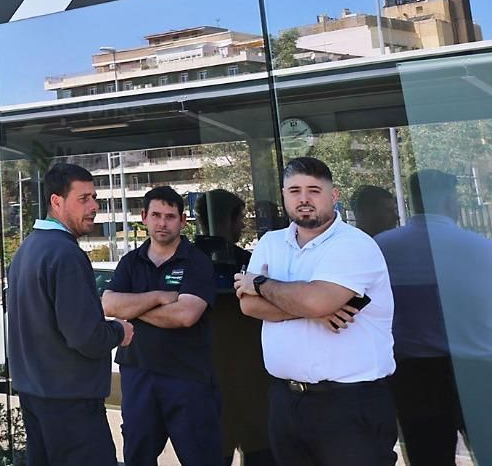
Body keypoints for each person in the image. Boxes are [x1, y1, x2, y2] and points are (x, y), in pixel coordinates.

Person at [235, 156, 397, 465]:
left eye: (314, 190)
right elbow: (249, 304)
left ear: (333, 195)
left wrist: (260, 282)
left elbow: (316, 301)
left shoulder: (354, 245)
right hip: (286, 401)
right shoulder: (271, 242)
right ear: (284, 195)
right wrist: (313, 307)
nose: (304, 199)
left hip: (349, 403)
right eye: (294, 191)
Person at [5, 163, 134, 466]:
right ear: (56, 201)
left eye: (94, 197)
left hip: (36, 395)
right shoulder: (64, 254)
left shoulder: (27, 249)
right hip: (70, 404)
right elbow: (84, 335)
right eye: (84, 198)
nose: (94, 207)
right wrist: (119, 331)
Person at [376, 169, 491, 465]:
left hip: (414, 375)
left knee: (429, 457)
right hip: (477, 369)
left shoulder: (383, 247)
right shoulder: (481, 248)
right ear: (450, 200)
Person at [101, 186, 220, 466]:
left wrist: (133, 307)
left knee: (201, 458)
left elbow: (185, 315)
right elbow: (108, 305)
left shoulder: (197, 262)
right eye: (156, 215)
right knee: (137, 457)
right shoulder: (131, 261)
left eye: (170, 216)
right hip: (138, 373)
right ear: (144, 217)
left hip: (188, 377)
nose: (162, 222)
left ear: (182, 221)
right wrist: (156, 298)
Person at [195, 189, 274, 466]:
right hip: (231, 381)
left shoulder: (248, 261)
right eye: (240, 218)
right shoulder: (193, 263)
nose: (242, 225)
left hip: (239, 380)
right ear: (225, 220)